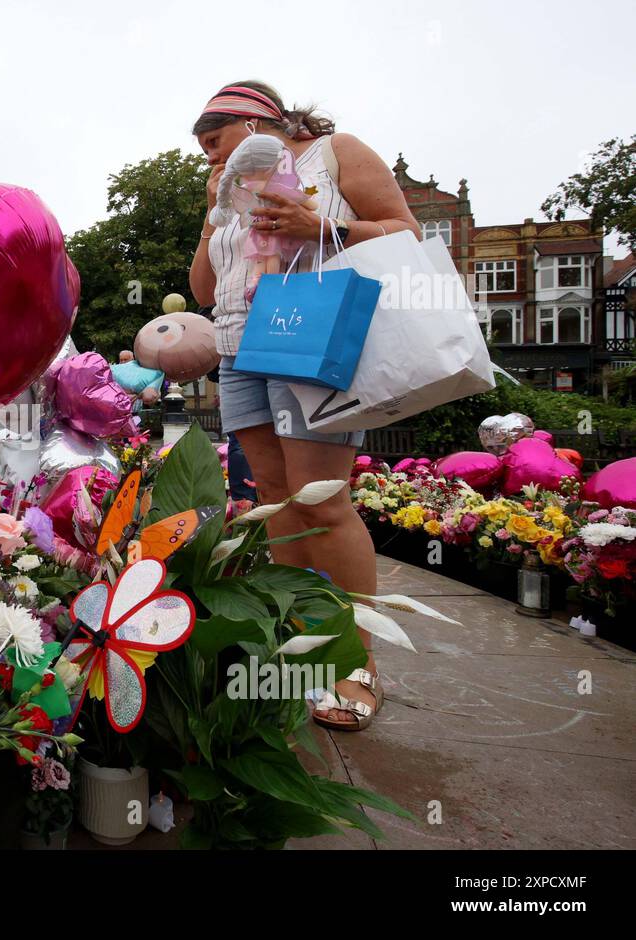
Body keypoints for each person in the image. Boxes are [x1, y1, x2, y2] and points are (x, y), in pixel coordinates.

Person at [188, 80, 420, 732]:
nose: (210, 162)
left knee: (322, 498)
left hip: (309, 331)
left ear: (260, 121)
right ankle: (303, 650)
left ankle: (358, 663)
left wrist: (327, 226)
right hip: (238, 349)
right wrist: (213, 213)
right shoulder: (227, 189)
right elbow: (202, 286)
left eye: (216, 145)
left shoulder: (334, 153)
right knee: (275, 499)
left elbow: (405, 232)